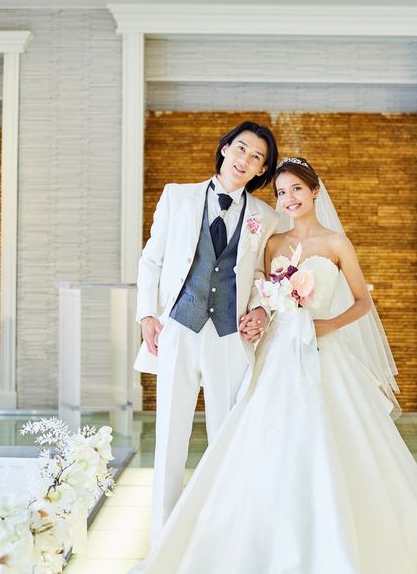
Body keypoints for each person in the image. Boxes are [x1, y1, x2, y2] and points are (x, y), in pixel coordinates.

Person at [132, 158, 417, 573]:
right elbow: (259, 294)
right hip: (275, 352)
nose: (289, 198)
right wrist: (259, 316)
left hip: (321, 350)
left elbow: (363, 302)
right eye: (281, 192)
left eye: (296, 189)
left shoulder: (336, 243)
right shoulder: (272, 243)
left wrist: (326, 326)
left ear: (315, 191)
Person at [134, 121, 280, 539]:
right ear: (225, 148)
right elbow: (152, 260)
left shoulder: (266, 217)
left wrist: (262, 311)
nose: (245, 159)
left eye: (257, 157)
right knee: (169, 438)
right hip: (178, 329)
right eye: (241, 148)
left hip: (230, 337)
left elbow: (262, 277)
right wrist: (146, 315)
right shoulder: (177, 196)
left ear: (261, 170)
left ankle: (223, 536)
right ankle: (163, 536)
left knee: (227, 441)